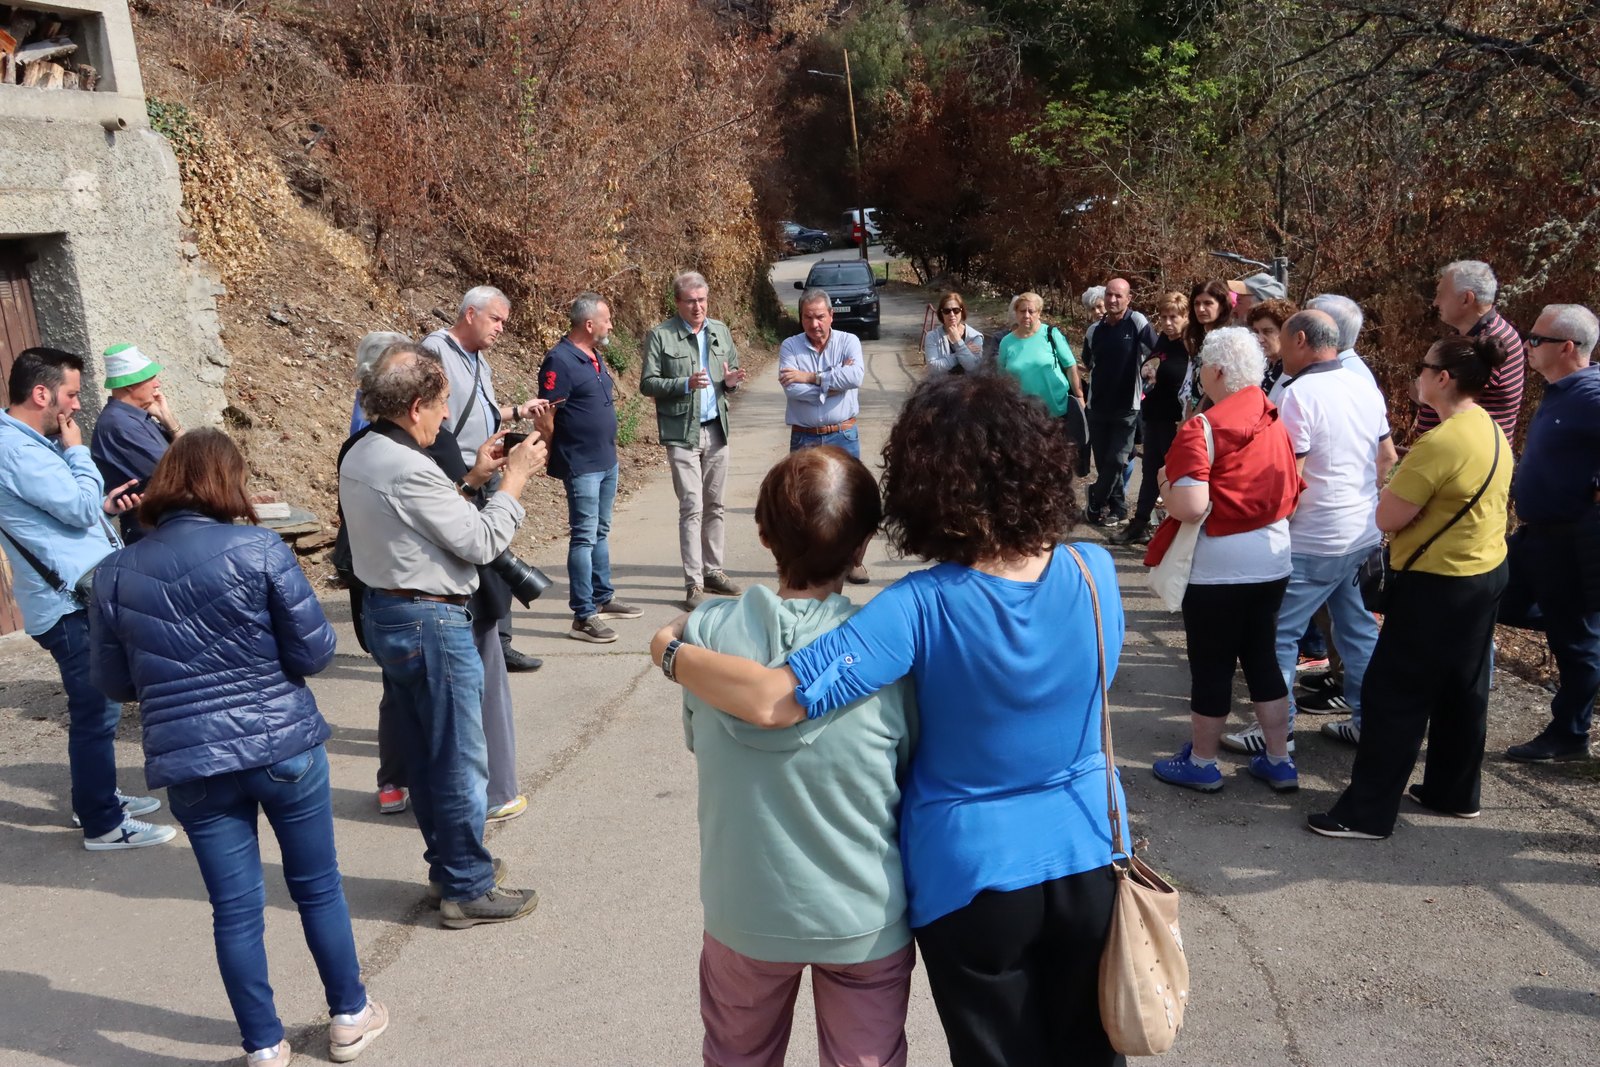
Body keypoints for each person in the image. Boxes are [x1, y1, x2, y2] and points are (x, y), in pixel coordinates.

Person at [653, 372, 1130, 1067]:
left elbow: (776, 699)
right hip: (1092, 851)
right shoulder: (1095, 571)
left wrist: (671, 649)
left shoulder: (918, 606)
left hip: (976, 874)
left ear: (926, 489)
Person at [89, 429, 388, 1065]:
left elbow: (115, 683)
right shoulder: (259, 549)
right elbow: (315, 651)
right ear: (228, 482)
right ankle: (349, 1015)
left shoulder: (113, 573)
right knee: (317, 887)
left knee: (234, 910)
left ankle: (263, 1046)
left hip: (191, 759)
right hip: (282, 743)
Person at [682, 446, 917, 1067]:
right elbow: (909, 767)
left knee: (737, 1055)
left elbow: (698, 737)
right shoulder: (890, 654)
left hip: (744, 909)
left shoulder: (706, 637)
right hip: (863, 914)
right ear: (862, 547)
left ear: (763, 535)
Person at [339, 347, 543, 928]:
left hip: (389, 611)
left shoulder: (363, 449)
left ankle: (451, 867)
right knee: (456, 757)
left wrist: (472, 480)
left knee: (429, 754)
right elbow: (480, 542)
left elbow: (419, 519)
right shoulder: (406, 465)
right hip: (429, 620)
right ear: (414, 406)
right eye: (443, 403)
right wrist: (514, 482)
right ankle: (467, 888)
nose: (447, 415)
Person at [1309, 335, 1514, 838]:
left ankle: (1366, 814)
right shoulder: (1488, 427)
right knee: (1462, 689)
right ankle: (1453, 791)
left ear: (1443, 378)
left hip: (1437, 584)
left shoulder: (1440, 442)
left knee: (1394, 694)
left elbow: (1387, 515)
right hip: (1484, 572)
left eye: (1423, 366)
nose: (1416, 375)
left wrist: (1393, 487)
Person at [0, 347, 172, 851]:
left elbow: (68, 511)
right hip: (67, 605)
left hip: (73, 595)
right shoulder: (17, 449)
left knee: (99, 709)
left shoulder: (26, 443)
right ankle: (103, 823)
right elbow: (75, 508)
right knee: (97, 713)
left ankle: (95, 798)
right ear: (42, 393)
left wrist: (104, 506)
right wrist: (78, 453)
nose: (76, 406)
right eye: (72, 394)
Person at [1225, 310, 1396, 755]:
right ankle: (1370, 723)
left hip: (1312, 538)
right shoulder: (1365, 387)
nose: (1277, 352)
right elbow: (1387, 458)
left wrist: (1273, 525)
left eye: (1282, 341)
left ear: (1300, 340)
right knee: (1358, 631)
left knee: (1278, 635)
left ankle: (1276, 732)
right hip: (1361, 532)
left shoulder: (1298, 394)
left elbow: (1289, 475)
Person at [1150, 328, 1302, 793]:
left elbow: (1191, 506)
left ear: (1215, 371)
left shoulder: (1203, 427)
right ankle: (1279, 759)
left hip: (1218, 565)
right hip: (1272, 558)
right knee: (1263, 659)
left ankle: (1202, 762)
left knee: (1212, 665)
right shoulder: (1273, 416)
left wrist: (1164, 485)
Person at [1497, 303, 1600, 762]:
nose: (1527, 344)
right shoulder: (1560, 390)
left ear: (1567, 347)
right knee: (1494, 597)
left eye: (1536, 339)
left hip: (1568, 537)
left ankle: (1570, 735)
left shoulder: (1591, 394)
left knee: (1575, 640)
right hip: (1535, 535)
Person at [424, 286, 545, 672]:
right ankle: (470, 640)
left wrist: (517, 411)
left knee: (496, 548)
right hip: (457, 470)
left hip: (486, 465)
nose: (500, 328)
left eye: (504, 322)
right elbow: (430, 412)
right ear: (470, 314)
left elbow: (484, 412)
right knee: (472, 554)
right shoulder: (436, 350)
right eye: (495, 319)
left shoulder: (480, 360)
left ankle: (498, 643)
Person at [540, 291, 644, 641]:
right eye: (607, 319)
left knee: (600, 531)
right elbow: (546, 414)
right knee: (584, 536)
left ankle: (603, 597)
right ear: (589, 324)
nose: (611, 325)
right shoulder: (559, 360)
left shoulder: (594, 355)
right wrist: (551, 450)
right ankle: (583, 615)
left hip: (606, 460)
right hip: (581, 463)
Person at [640, 270, 747, 610]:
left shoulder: (720, 331)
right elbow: (647, 383)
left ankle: (713, 571)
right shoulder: (661, 335)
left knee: (715, 504)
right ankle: (694, 583)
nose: (698, 307)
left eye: (702, 300)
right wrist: (683, 384)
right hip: (682, 432)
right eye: (690, 301)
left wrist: (730, 383)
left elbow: (730, 376)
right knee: (692, 505)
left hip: (716, 429)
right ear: (677, 303)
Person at [780, 287, 871, 583]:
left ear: (831, 316)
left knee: (852, 502)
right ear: (801, 318)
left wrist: (812, 377)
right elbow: (792, 390)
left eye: (820, 316)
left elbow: (855, 377)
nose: (814, 324)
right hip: (805, 438)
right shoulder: (790, 347)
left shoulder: (849, 341)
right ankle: (811, 562)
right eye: (808, 317)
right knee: (802, 504)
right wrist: (834, 384)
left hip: (842, 435)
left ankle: (853, 561)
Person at [1111, 291, 1189, 546]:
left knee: (1175, 474)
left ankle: (1175, 529)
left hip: (1176, 420)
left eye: (1174, 317)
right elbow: (1153, 364)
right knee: (1151, 471)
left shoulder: (1189, 345)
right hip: (1154, 416)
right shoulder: (1163, 340)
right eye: (1164, 317)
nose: (1167, 323)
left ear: (1185, 317)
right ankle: (1140, 523)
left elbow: (1185, 380)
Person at [88, 342, 183, 544]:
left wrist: (167, 418)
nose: (157, 384)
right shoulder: (120, 425)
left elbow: (192, 457)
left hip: (165, 529)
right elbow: (185, 471)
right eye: (150, 378)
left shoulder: (137, 418)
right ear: (129, 385)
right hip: (154, 534)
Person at [1422, 260, 1526, 441]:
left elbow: (1441, 394)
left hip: (1467, 451)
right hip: (1456, 447)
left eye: (1441, 294)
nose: (1436, 302)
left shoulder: (1493, 341)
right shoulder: (1472, 335)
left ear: (1466, 299)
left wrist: (1422, 390)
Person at [1082, 278, 1158, 527]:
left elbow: (1156, 352)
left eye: (1118, 295)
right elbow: (1088, 362)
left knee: (1117, 460)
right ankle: (1118, 509)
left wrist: (1149, 372)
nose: (1112, 300)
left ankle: (1095, 496)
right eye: (1109, 294)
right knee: (1105, 462)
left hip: (1127, 407)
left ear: (1128, 298)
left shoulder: (1136, 322)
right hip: (1097, 406)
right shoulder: (1094, 330)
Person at [997, 291, 1087, 475]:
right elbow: (1002, 377)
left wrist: (1079, 396)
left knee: (1059, 460)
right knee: (1032, 460)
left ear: (1039, 313)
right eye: (1022, 311)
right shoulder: (1007, 342)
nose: (1026, 315)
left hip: (1056, 410)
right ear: (1016, 313)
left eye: (1031, 311)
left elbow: (1070, 366)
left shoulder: (1051, 334)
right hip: (1025, 414)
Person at [1184, 280, 1232, 410]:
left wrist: (1196, 414)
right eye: (1197, 303)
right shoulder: (1198, 337)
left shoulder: (1227, 340)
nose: (1200, 309)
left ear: (1222, 306)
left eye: (1208, 303)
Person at [924, 291, 983, 375]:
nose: (952, 314)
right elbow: (933, 368)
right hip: (940, 382)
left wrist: (958, 341)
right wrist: (963, 351)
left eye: (956, 310)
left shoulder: (975, 336)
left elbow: (972, 367)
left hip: (968, 382)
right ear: (941, 314)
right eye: (946, 311)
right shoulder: (932, 337)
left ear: (962, 312)